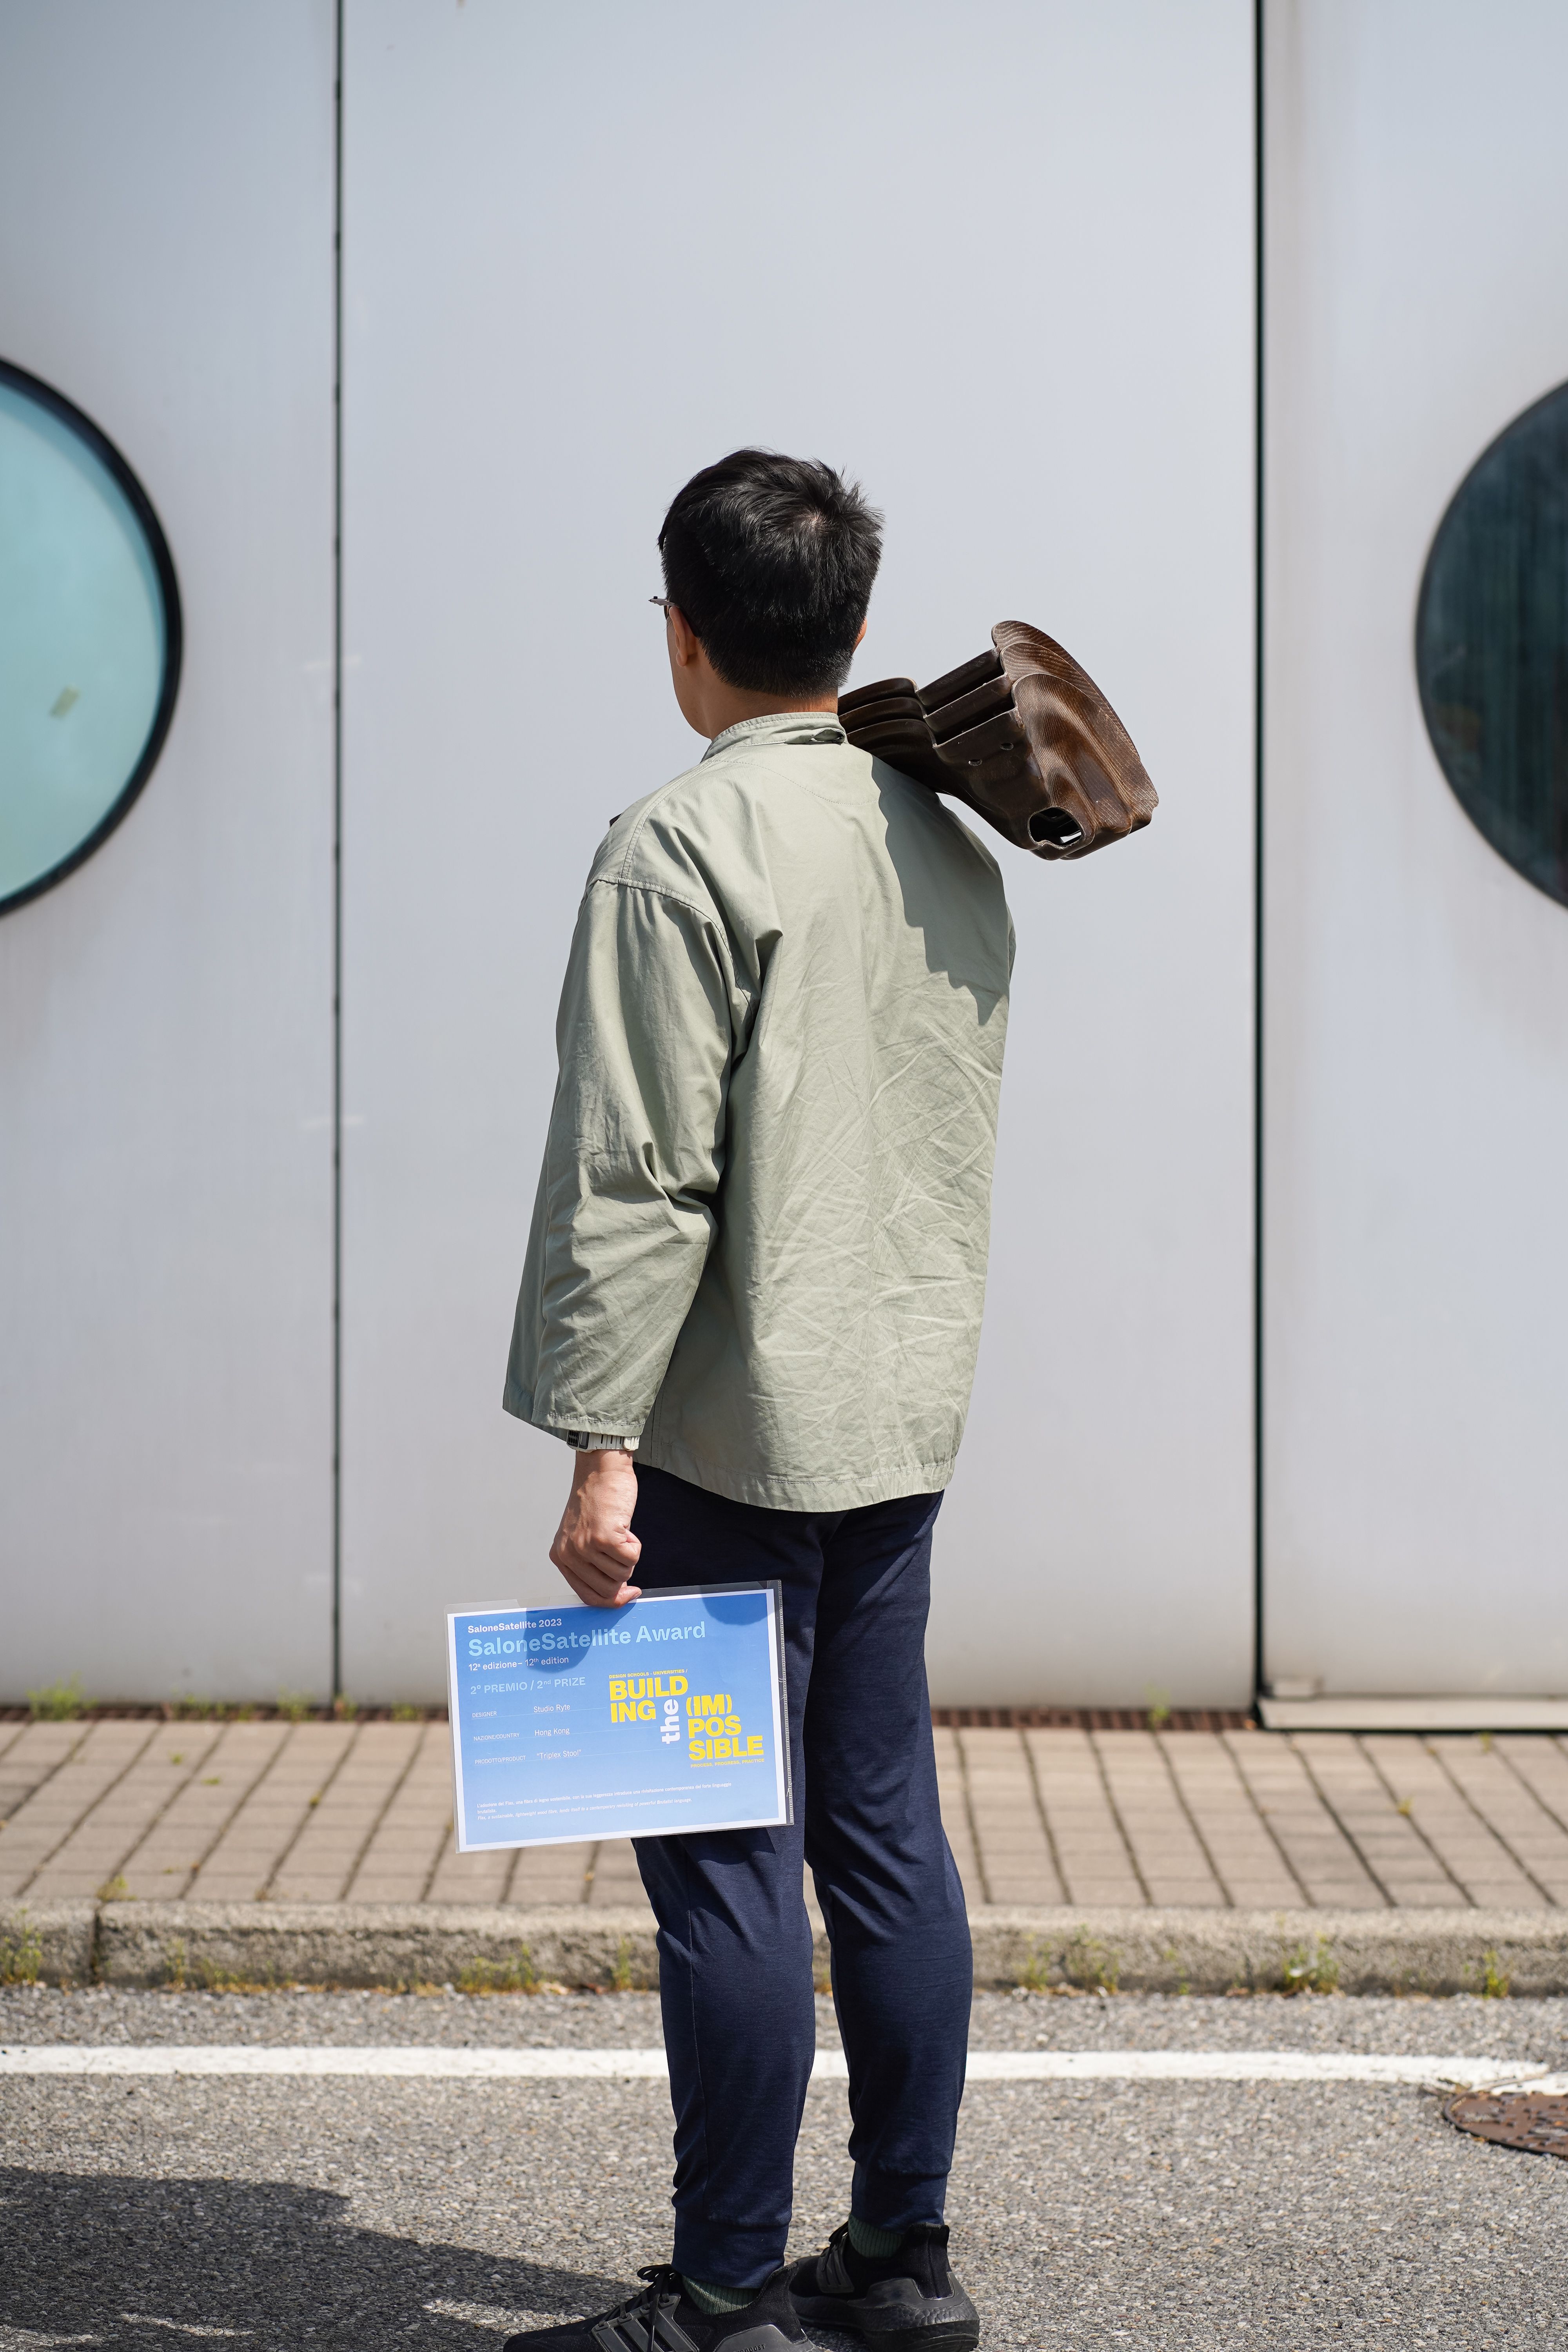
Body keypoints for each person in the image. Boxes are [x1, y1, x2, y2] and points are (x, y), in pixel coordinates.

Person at [502, 449, 1013, 2352]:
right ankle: (899, 2259)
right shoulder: (944, 842)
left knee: (725, 1857)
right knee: (881, 1837)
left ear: (683, 635)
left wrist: (597, 1447)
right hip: (894, 1424)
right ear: (855, 629)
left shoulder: (678, 849)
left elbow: (639, 1179)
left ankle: (723, 2289)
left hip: (723, 1438)